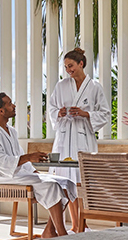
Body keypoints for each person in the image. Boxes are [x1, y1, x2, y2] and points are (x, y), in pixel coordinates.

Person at [0, 92, 79, 237]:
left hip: (20, 175)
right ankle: (62, 234)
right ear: (1, 111)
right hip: (4, 178)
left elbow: (19, 156)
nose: (14, 106)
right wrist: (29, 157)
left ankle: (49, 231)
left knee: (66, 183)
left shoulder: (11, 131)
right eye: (9, 104)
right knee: (51, 186)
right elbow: (1, 163)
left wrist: (34, 171)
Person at [47, 48, 111, 183]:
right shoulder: (61, 85)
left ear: (81, 64)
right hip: (64, 137)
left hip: (84, 137)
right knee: (62, 177)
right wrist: (59, 113)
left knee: (84, 178)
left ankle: (83, 205)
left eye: (71, 66)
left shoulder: (94, 87)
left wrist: (86, 114)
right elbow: (51, 107)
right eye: (65, 67)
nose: (68, 70)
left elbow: (105, 113)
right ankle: (70, 204)